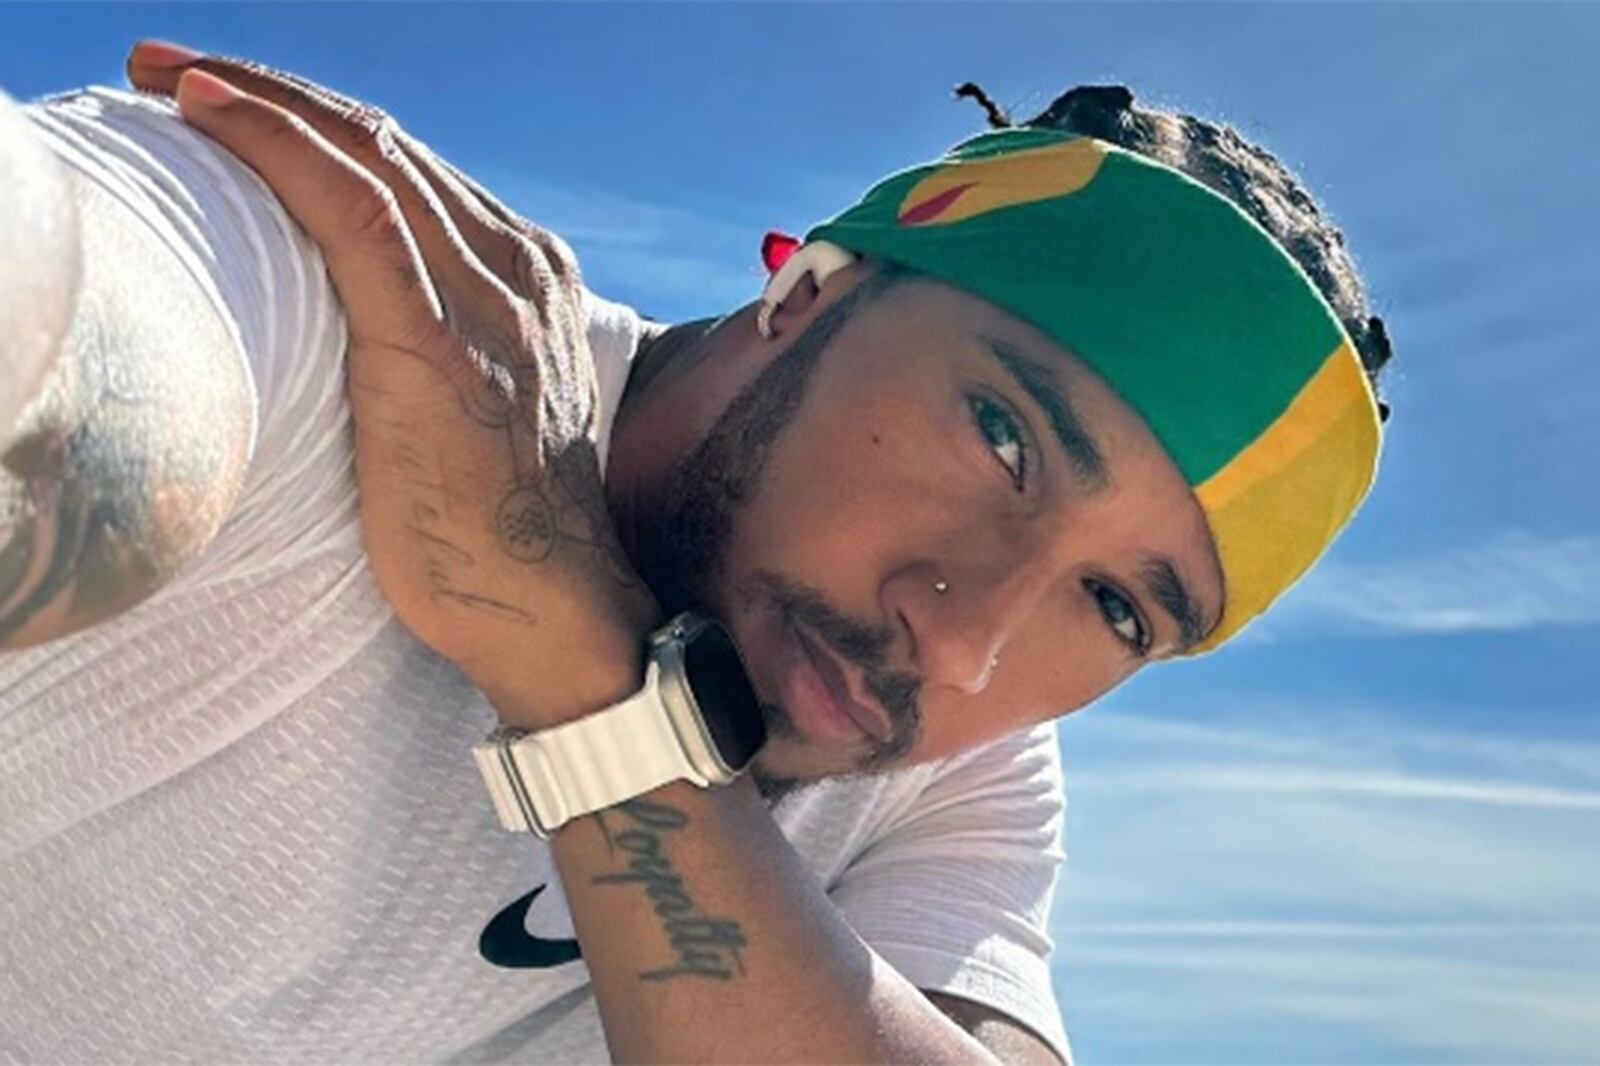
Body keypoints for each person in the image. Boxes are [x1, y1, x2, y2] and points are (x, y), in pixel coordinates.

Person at [0, 42, 1392, 1065]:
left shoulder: (946, 773)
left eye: (1118, 607)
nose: (965, 640)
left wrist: (577, 668)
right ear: (812, 290)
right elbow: (81, 324)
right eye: (1004, 438)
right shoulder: (384, 315)